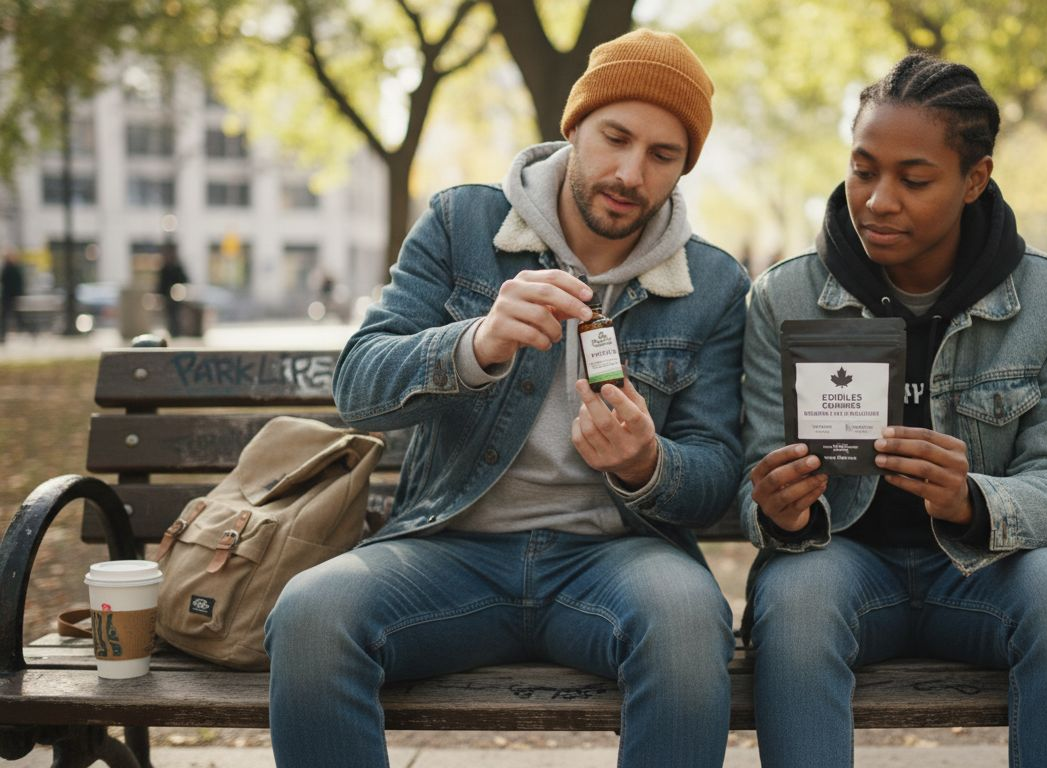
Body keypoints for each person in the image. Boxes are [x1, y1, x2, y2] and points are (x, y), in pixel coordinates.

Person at [264, 29, 749, 767]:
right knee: (310, 614)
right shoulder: (464, 224)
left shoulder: (712, 286)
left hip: (615, 562)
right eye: (614, 137)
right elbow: (358, 386)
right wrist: (476, 344)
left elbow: (716, 469)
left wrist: (647, 464)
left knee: (688, 623)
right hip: (449, 551)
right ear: (574, 126)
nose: (629, 173)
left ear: (684, 167)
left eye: (662, 155)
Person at [739, 53, 1047, 768]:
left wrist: (972, 497)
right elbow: (751, 471)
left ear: (975, 180)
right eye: (862, 170)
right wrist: (776, 506)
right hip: (838, 564)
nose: (879, 200)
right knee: (795, 599)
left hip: (985, 576)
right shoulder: (783, 300)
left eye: (914, 179)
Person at [156, 242, 190, 337]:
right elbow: (160, 284)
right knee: (169, 316)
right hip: (167, 298)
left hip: (177, 298)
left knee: (176, 315)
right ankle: (172, 331)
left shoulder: (177, 267)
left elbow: (185, 280)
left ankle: (177, 331)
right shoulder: (164, 268)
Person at [1, 249, 23, 343]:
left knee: (8, 316)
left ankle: (2, 334)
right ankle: (2, 334)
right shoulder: (12, 268)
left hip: (9, 296)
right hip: (10, 296)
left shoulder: (9, 268)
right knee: (12, 316)